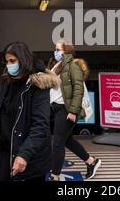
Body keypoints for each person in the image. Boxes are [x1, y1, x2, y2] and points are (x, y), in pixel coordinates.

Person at [0, 42, 59, 181]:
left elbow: (40, 125)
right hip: (5, 150)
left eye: (12, 61)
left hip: (29, 155)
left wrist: (24, 154)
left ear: (23, 60)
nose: (9, 65)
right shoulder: (7, 81)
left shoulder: (38, 84)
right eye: (7, 61)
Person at [49, 40, 102, 181]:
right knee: (67, 141)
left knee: (57, 143)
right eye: (55, 49)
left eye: (58, 50)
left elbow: (78, 90)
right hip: (57, 109)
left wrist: (73, 111)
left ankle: (55, 176)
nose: (56, 52)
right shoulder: (58, 67)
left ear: (67, 51)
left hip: (66, 110)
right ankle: (91, 161)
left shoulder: (73, 67)